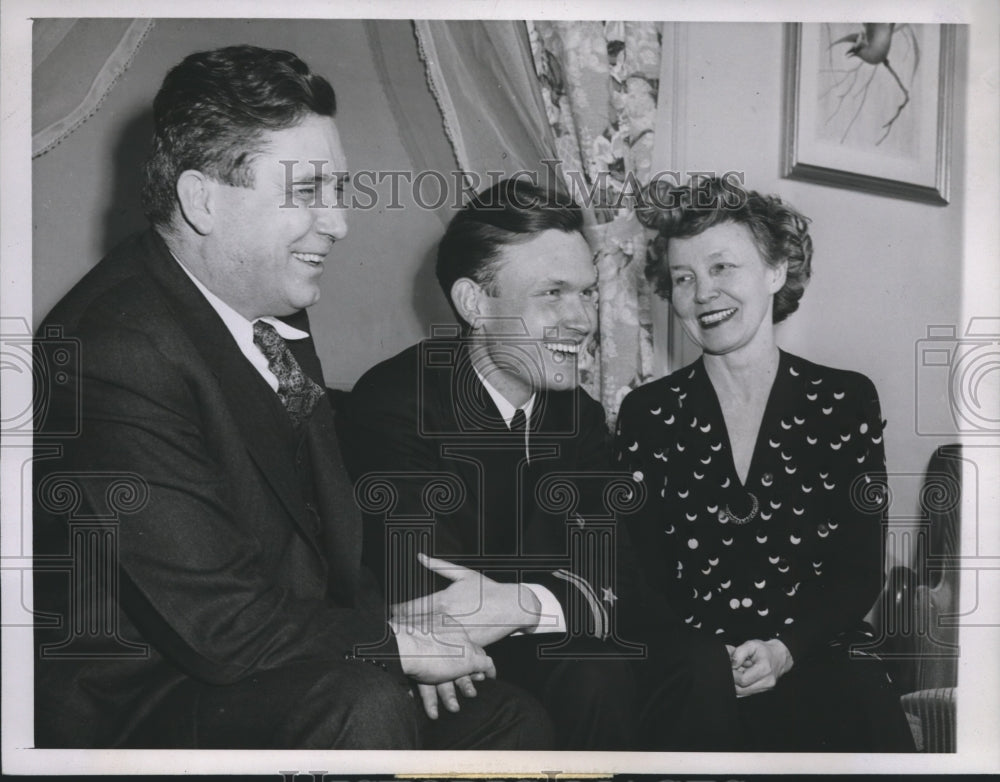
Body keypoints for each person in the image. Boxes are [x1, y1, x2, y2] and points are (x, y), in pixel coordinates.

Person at [32, 45, 552, 750]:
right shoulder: (113, 349)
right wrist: (395, 645)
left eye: (337, 190)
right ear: (202, 200)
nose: (338, 222)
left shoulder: (272, 307)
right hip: (144, 704)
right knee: (361, 702)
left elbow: (324, 545)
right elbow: (218, 622)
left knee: (509, 721)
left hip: (273, 663)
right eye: (307, 192)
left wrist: (402, 635)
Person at [338, 178, 725, 750]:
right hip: (456, 672)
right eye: (553, 294)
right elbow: (428, 598)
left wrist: (520, 602)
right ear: (475, 303)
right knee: (594, 668)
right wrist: (548, 597)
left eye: (588, 293)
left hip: (544, 638)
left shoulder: (581, 417)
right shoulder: (397, 404)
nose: (582, 320)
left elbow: (626, 581)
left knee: (697, 659)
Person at [615, 176, 916, 751]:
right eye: (684, 278)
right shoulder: (647, 413)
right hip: (693, 664)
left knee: (855, 694)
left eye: (722, 267)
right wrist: (707, 657)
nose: (703, 292)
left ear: (776, 272)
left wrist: (784, 649)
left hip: (814, 652)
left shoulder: (846, 400)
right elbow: (642, 576)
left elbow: (859, 570)